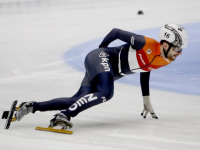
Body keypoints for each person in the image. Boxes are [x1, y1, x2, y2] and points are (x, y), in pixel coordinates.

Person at [15, 24, 188, 129]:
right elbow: (115, 32)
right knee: (106, 92)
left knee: (76, 100)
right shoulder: (144, 43)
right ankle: (64, 115)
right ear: (165, 44)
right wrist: (100, 50)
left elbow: (146, 69)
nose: (179, 53)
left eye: (181, 50)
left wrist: (146, 99)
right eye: (177, 49)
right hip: (101, 59)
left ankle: (31, 106)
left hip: (105, 70)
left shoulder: (167, 59)